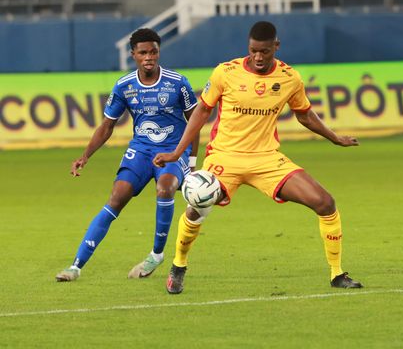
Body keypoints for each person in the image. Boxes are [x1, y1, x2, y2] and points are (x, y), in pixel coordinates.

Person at [153, 20, 363, 294]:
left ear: (276, 46)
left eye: (265, 51)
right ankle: (179, 265)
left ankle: (337, 274)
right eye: (253, 50)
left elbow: (305, 114)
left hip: (266, 159)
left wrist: (335, 137)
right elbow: (202, 113)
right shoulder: (225, 73)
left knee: (325, 202)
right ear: (248, 46)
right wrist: (177, 152)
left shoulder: (289, 78)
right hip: (225, 157)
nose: (258, 57)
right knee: (197, 207)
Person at [55, 28, 199, 282]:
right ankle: (76, 266)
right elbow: (107, 126)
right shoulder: (124, 86)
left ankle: (156, 254)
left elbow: (195, 122)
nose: (149, 57)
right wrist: (85, 156)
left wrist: (191, 160)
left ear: (158, 52)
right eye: (143, 52)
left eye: (153, 51)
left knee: (165, 188)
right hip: (141, 150)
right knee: (116, 197)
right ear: (133, 54)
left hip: (173, 150)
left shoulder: (178, 82)